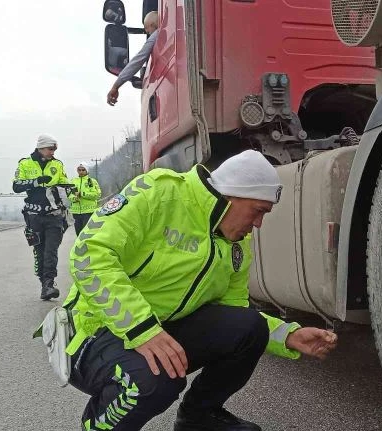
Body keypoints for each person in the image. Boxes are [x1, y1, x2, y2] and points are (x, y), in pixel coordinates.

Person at [61, 150, 337, 430]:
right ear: (231, 195)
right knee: (153, 380)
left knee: (248, 327)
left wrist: (288, 335)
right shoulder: (160, 192)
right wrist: (143, 330)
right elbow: (89, 254)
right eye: (258, 211)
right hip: (92, 331)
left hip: (156, 329)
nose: (258, 224)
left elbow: (232, 317)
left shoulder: (236, 246)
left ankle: (198, 419)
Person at [12, 134, 70, 300]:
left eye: (55, 150)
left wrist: (68, 193)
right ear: (41, 148)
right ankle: (43, 283)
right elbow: (16, 186)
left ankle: (49, 284)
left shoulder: (57, 164)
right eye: (50, 149)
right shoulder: (24, 163)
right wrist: (36, 182)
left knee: (51, 250)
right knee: (39, 250)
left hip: (54, 215)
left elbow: (64, 184)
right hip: (34, 216)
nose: (53, 152)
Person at [107, 11, 159, 106]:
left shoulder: (157, 34)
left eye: (148, 31)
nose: (149, 34)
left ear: (153, 25)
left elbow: (138, 60)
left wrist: (116, 86)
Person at [69, 161, 102, 235]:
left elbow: (97, 195)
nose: (81, 172)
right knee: (79, 234)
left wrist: (82, 194)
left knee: (87, 234)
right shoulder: (73, 181)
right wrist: (74, 198)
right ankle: (80, 246)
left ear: (87, 170)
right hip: (76, 212)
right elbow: (69, 194)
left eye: (83, 170)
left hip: (88, 211)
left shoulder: (91, 181)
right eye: (79, 170)